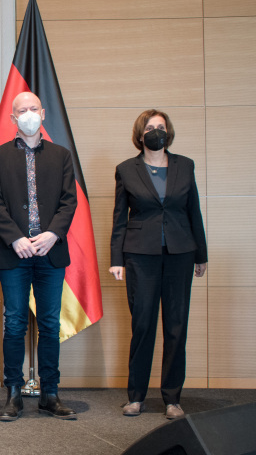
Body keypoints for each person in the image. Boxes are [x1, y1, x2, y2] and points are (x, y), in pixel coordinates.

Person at [0, 91, 77, 421]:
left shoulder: (62, 156)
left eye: (32, 109)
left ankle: (50, 393)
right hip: (14, 254)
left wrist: (52, 234)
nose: (27, 114)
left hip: (51, 252)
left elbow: (69, 202)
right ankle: (14, 392)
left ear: (43, 113)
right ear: (12, 119)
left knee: (50, 323)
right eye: (21, 111)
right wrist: (16, 239)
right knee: (15, 323)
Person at [109, 109, 207, 420]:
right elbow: (119, 219)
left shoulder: (185, 165)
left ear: (169, 132)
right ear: (140, 135)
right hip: (140, 256)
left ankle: (172, 399)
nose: (156, 132)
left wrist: (201, 254)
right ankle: (136, 397)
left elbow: (194, 212)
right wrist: (117, 260)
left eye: (160, 127)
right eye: (150, 127)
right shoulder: (126, 170)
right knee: (143, 325)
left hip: (180, 254)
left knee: (177, 326)